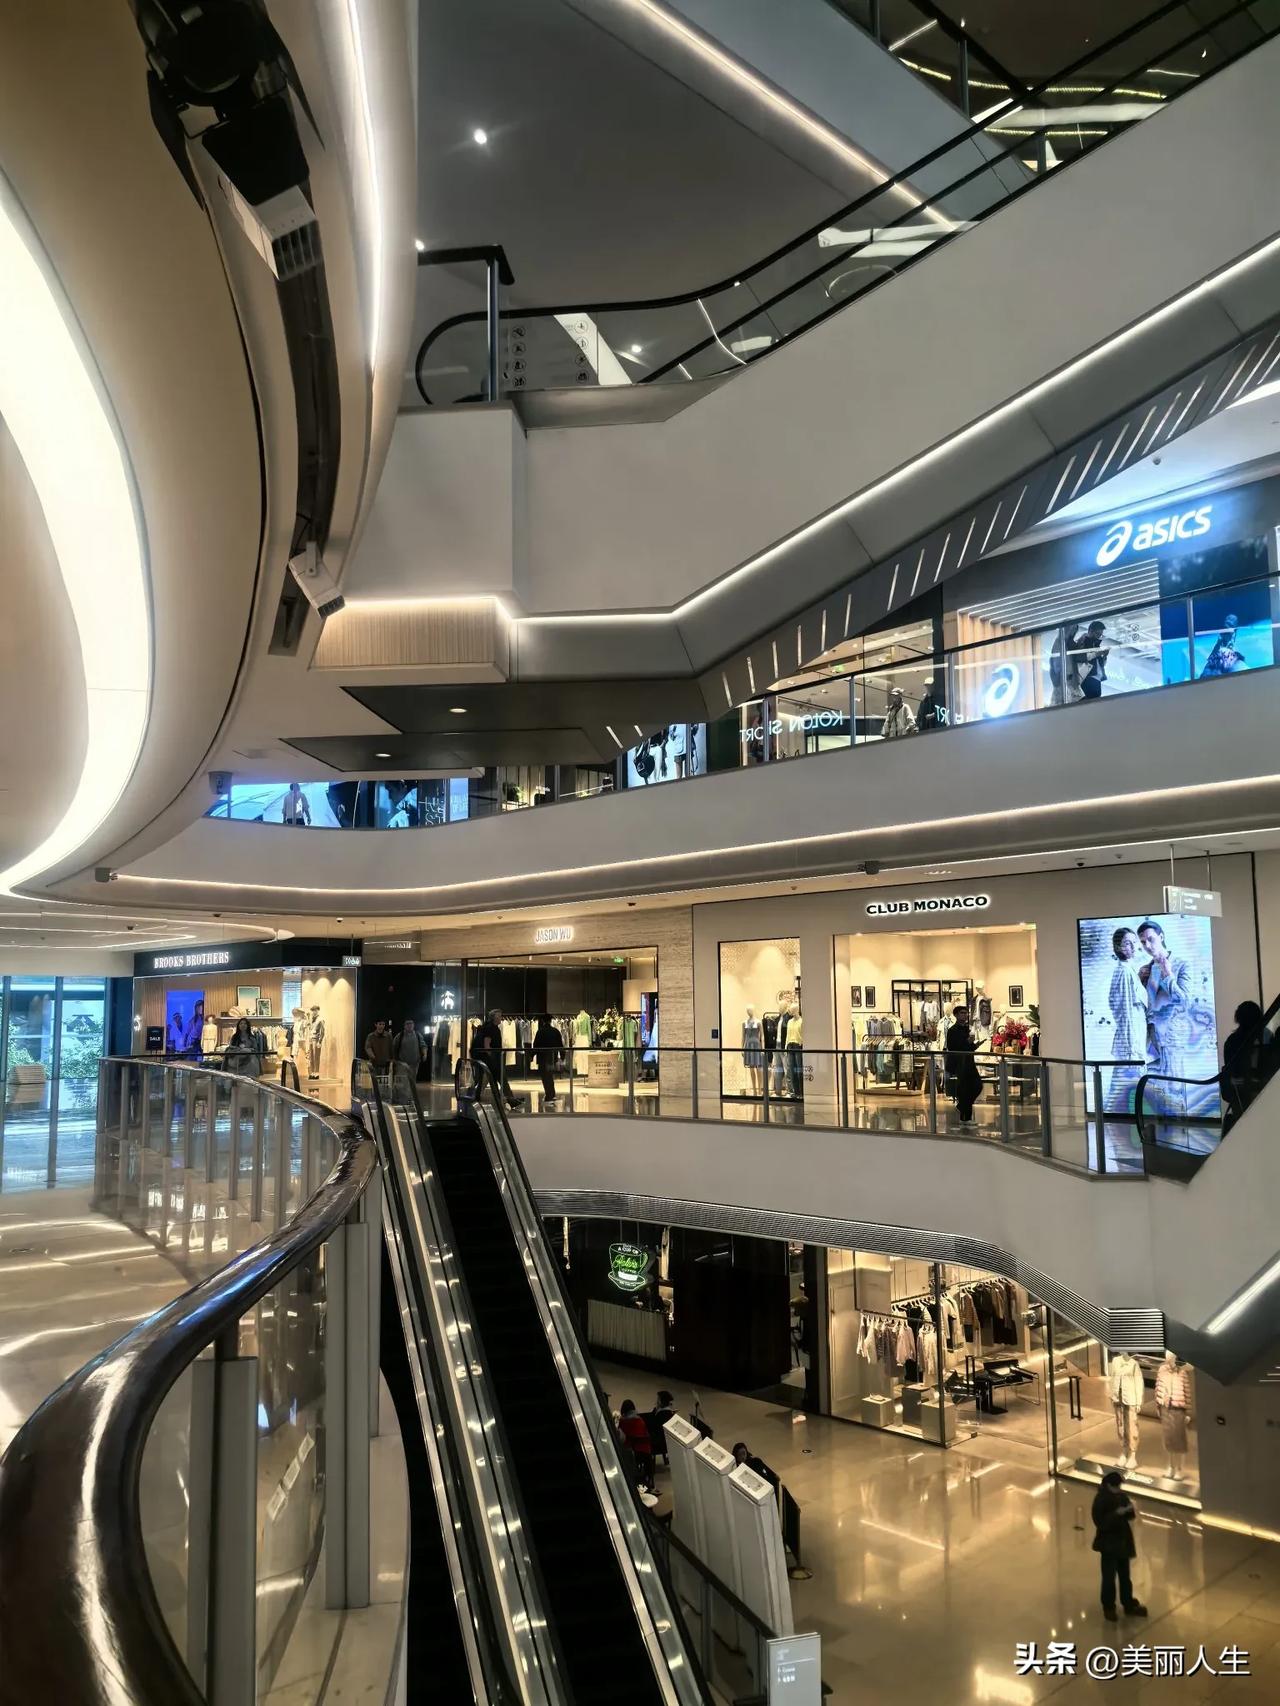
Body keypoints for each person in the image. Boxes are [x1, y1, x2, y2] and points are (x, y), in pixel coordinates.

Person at [1091, 1471, 1147, 1622]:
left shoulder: (1121, 1496)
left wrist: (1129, 1510)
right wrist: (1117, 1513)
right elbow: (1100, 1522)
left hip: (1122, 1542)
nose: (1118, 1488)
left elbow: (1130, 1516)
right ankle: (1108, 1607)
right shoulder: (1101, 1499)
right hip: (1108, 1545)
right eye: (1116, 1486)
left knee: (1125, 1576)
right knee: (1109, 1577)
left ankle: (1128, 1603)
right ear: (1109, 1485)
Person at [1220, 1000, 1273, 1130]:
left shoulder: (1232, 1041)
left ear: (1238, 1018)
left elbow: (1230, 1068)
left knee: (1243, 1127)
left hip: (1239, 1093)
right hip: (1262, 1090)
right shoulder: (1266, 1036)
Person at [472, 1007, 519, 1109]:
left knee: (492, 1080)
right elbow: (487, 1045)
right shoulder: (490, 1028)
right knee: (499, 1079)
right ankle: (508, 1099)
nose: (501, 1018)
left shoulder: (490, 1027)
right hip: (491, 1060)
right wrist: (491, 1059)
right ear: (494, 1018)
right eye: (499, 1016)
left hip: (490, 1059)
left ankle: (507, 1099)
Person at [945, 1005, 983, 1128]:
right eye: (962, 1013)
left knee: (976, 1086)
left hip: (969, 1061)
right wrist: (968, 1042)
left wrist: (975, 1045)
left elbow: (968, 1047)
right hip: (960, 1062)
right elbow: (953, 1047)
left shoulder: (967, 1029)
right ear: (956, 1015)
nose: (965, 1015)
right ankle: (965, 1117)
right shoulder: (952, 1030)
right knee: (965, 1088)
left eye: (966, 1013)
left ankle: (962, 1107)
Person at [618, 1399, 655, 1489]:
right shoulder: (640, 1420)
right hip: (644, 1452)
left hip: (630, 1452)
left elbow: (621, 1437)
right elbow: (646, 1434)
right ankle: (648, 1479)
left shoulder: (623, 1422)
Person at [531, 1013, 564, 1107]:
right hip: (552, 1056)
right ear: (550, 1021)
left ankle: (549, 1094)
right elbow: (560, 1045)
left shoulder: (540, 1031)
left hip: (542, 1057)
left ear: (543, 1021)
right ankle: (551, 1094)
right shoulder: (555, 1031)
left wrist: (532, 1055)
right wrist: (562, 1056)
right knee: (550, 1075)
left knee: (545, 1076)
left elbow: (536, 1045)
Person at [1074, 621, 1109, 700]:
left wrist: (1104, 656)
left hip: (1097, 679)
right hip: (1088, 678)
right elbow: (1080, 658)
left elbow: (1100, 664)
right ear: (1090, 631)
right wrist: (1097, 654)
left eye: (1100, 635)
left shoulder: (1096, 645)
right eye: (1097, 634)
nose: (1098, 637)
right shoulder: (1082, 642)